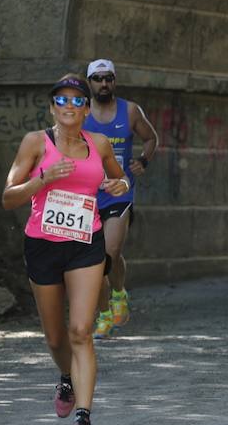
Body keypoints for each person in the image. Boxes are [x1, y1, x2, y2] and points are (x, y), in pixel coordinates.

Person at [2, 74, 130, 425]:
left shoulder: (100, 143)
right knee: (56, 337)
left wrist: (119, 184)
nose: (69, 106)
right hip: (42, 245)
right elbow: (8, 197)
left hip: (86, 243)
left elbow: (121, 179)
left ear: (87, 109)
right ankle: (66, 378)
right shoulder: (35, 143)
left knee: (80, 331)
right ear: (51, 108)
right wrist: (42, 180)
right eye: (62, 100)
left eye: (77, 100)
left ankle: (84, 415)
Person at [82, 59, 158, 339]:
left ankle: (110, 306)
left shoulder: (129, 111)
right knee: (98, 257)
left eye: (108, 78)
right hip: (87, 194)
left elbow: (151, 138)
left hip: (119, 191)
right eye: (98, 79)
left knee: (108, 254)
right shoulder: (81, 112)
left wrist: (143, 161)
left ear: (114, 81)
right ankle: (112, 300)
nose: (104, 84)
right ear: (89, 82)